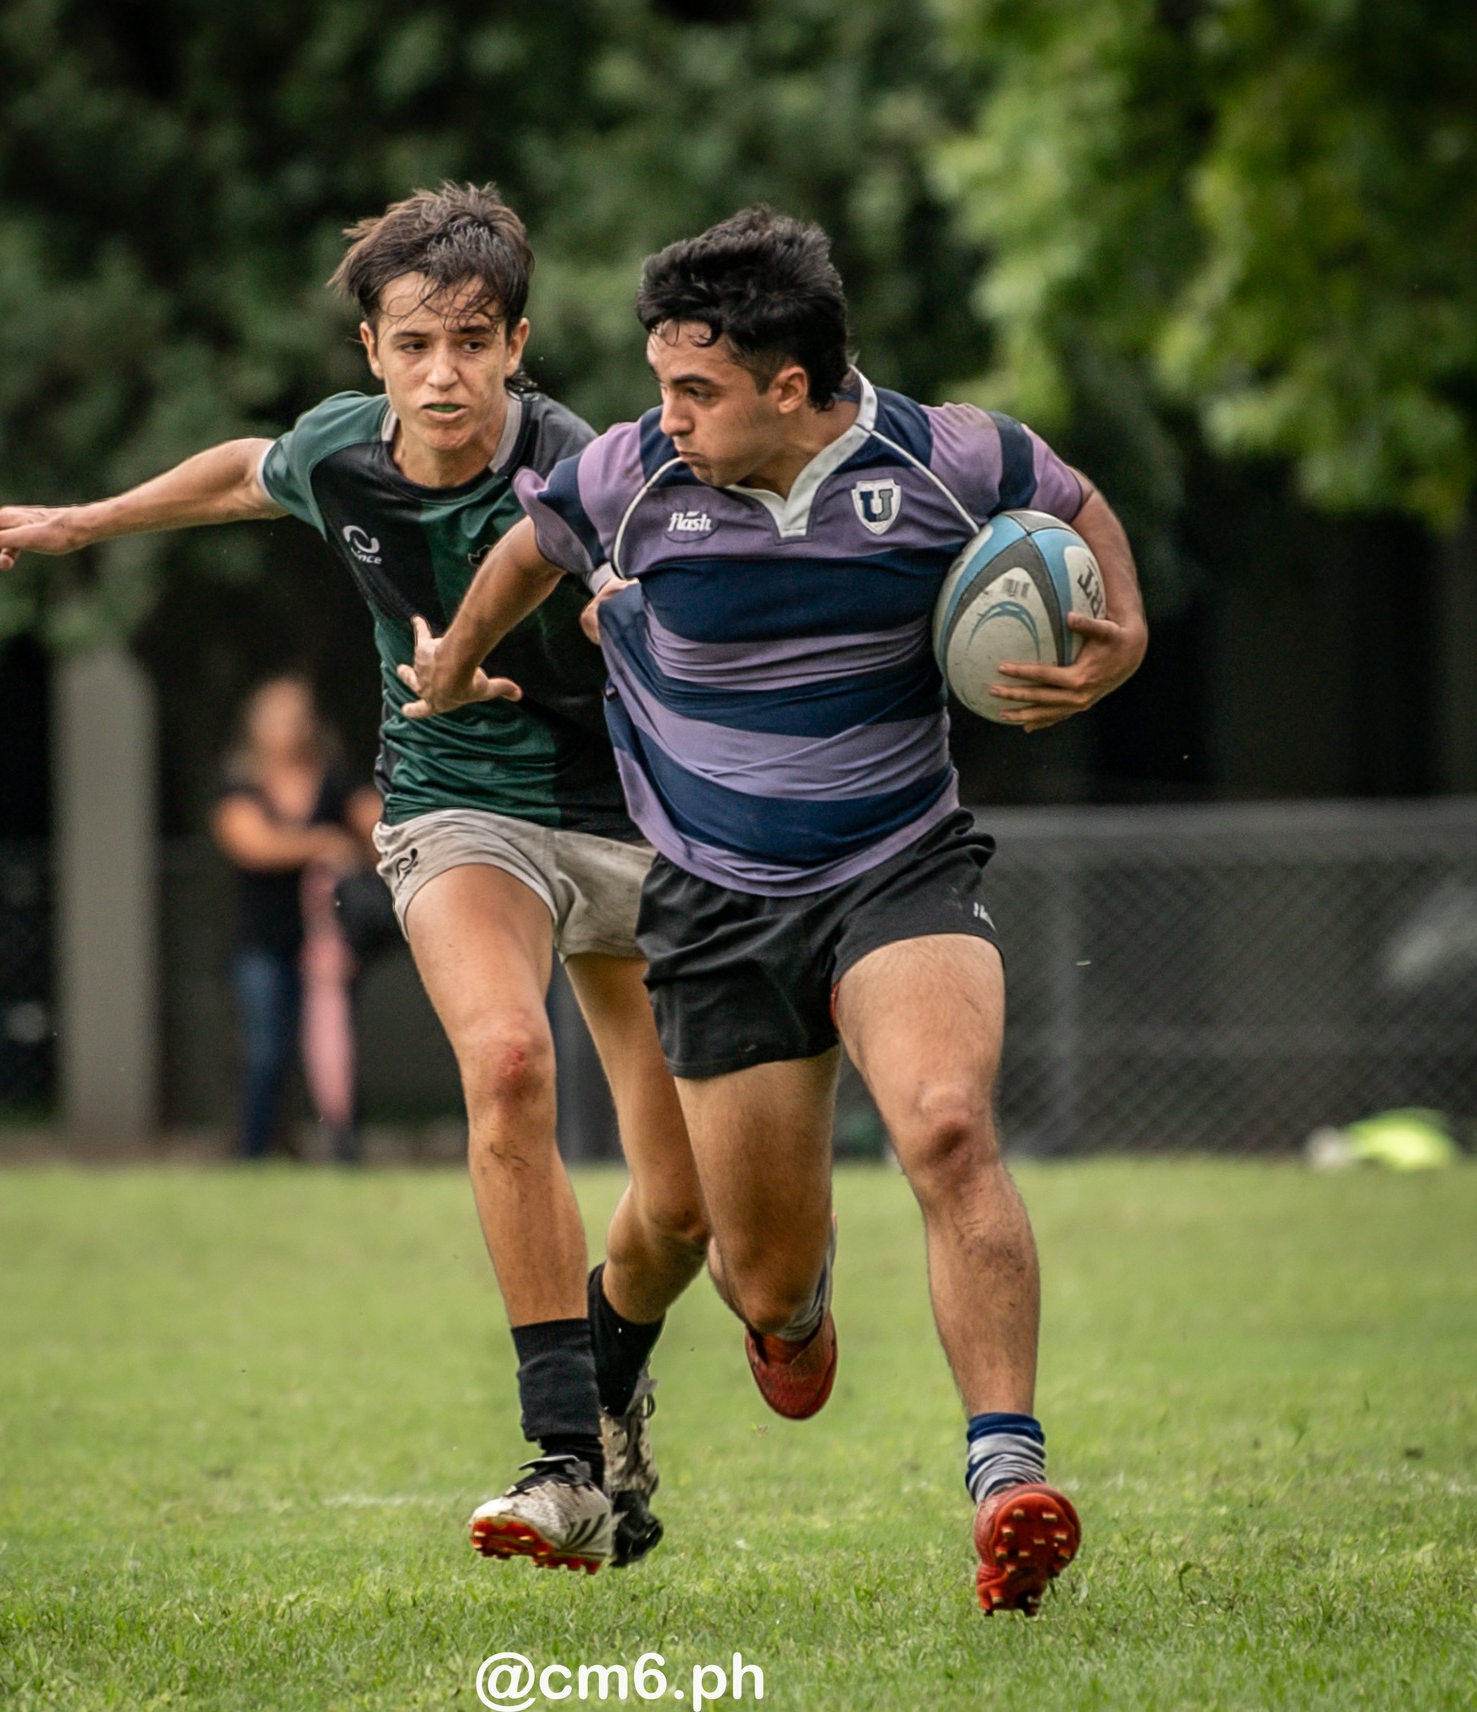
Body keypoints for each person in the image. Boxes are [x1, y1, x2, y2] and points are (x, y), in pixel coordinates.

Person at [0, 185, 708, 1573]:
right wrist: (75, 523)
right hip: (456, 808)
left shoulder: (585, 469)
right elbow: (248, 469)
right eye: (413, 344)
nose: (442, 374)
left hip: (628, 821)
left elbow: (648, 616)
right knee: (507, 1063)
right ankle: (562, 1458)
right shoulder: (339, 452)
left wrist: (605, 634)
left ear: (516, 345)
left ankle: (612, 1387)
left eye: (471, 343)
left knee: (681, 1208)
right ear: (372, 351)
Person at [401, 207, 1148, 1613]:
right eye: (659, 382)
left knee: (944, 1122)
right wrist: (452, 664)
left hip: (898, 867)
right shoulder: (628, 476)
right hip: (719, 904)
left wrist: (1127, 633)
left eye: (697, 389)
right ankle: (790, 1314)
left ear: (790, 388)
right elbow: (527, 549)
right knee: (764, 1286)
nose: (663, 413)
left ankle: (1008, 1473)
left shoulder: (947, 457)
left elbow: (1077, 501)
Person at [212, 675, 380, 1163]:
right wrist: (327, 844)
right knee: (266, 1050)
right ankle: (256, 1151)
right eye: (279, 717)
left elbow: (378, 825)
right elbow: (251, 844)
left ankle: (343, 1149)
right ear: (257, 727)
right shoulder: (239, 783)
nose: (291, 728)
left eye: (299, 716)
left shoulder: (335, 780)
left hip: (329, 943)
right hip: (263, 940)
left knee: (333, 1050)